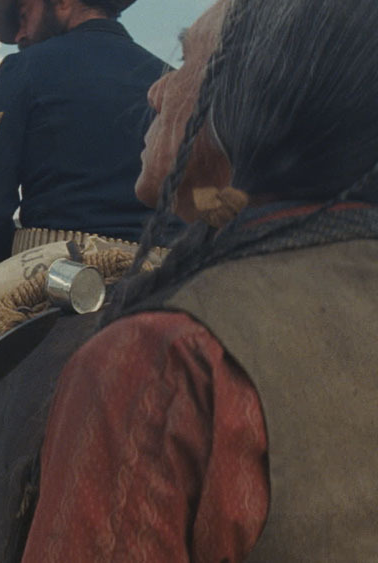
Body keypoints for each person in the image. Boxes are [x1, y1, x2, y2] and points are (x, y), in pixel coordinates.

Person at [19, 0, 378, 560]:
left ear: (251, 97)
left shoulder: (162, 360)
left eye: (185, 61)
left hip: (50, 254)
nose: (155, 91)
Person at [0, 0, 166, 270]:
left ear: (63, 3)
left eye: (24, 16)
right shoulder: (170, 79)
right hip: (173, 274)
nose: (19, 35)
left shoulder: (23, 68)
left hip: (58, 273)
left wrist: (7, 263)